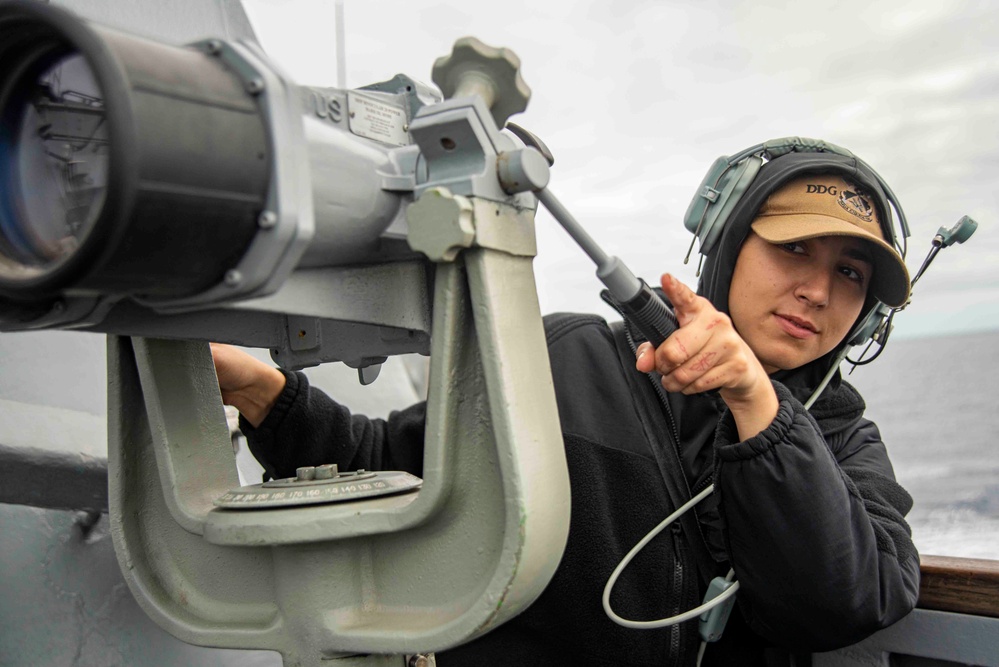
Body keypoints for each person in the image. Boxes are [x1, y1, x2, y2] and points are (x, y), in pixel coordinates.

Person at [213, 146, 921, 666]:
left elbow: (847, 598)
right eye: (793, 247)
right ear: (729, 245)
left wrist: (754, 401)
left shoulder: (844, 440)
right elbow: (389, 467)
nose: (818, 291)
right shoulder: (569, 358)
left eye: (849, 273)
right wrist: (261, 392)